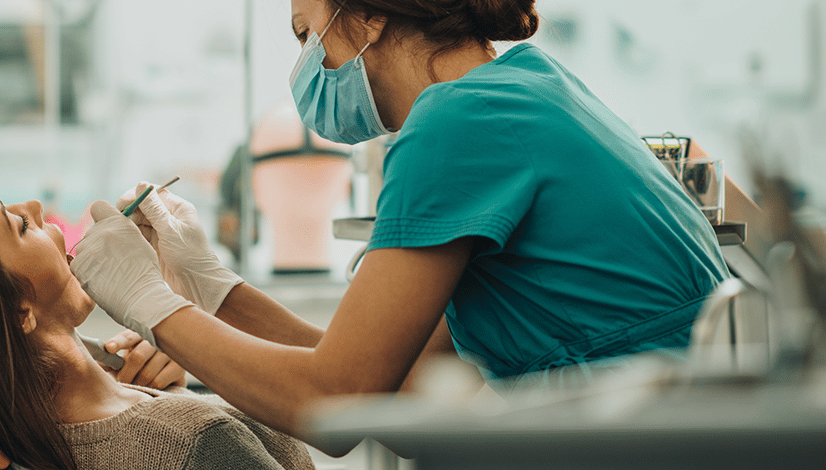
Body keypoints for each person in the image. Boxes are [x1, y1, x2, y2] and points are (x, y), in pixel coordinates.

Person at [70, 0, 730, 447]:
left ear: (371, 16)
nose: (304, 67)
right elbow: (388, 372)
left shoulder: (458, 121)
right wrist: (211, 288)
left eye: (307, 35)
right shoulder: (527, 86)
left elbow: (335, 402)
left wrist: (150, 305)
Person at [0, 186, 315, 470]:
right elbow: (340, 388)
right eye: (18, 226)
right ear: (19, 310)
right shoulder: (196, 443)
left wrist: (172, 387)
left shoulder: (40, 436)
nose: (36, 208)